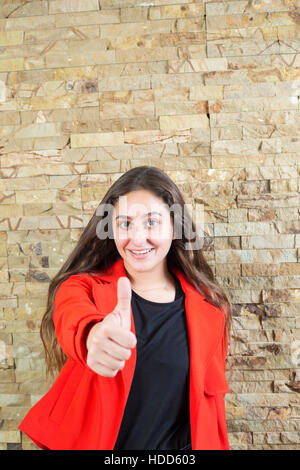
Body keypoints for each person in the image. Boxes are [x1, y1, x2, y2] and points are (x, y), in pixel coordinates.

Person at [18, 165, 233, 450]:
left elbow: (210, 413)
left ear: (175, 225)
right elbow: (71, 313)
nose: (137, 237)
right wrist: (91, 336)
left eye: (152, 222)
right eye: (125, 223)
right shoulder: (84, 288)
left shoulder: (212, 308)